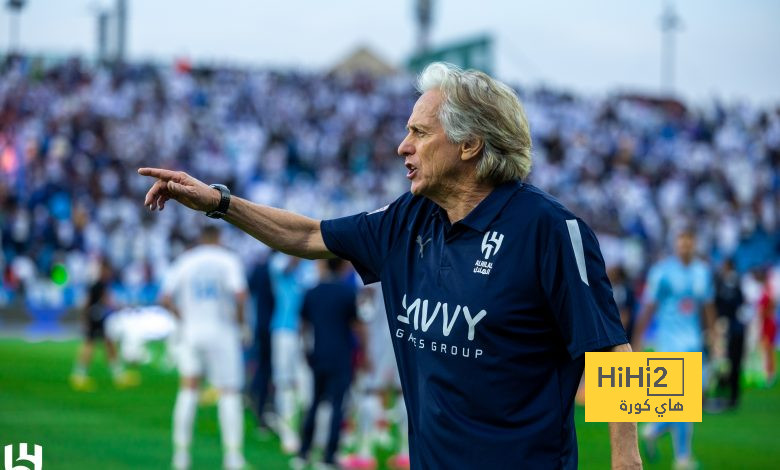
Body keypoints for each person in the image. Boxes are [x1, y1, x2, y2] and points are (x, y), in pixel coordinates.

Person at [139, 62, 641, 469]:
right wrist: (219, 202)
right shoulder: (407, 219)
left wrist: (627, 461)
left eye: (419, 133)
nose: (403, 146)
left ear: (470, 145)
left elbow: (614, 353)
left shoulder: (551, 229)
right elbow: (309, 232)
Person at [161, 226, 249, 470]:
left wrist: (183, 318)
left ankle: (180, 456)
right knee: (229, 392)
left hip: (192, 332)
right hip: (222, 332)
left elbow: (165, 298)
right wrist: (241, 325)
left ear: (201, 237)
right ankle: (233, 458)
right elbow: (241, 294)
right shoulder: (228, 259)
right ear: (219, 237)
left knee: (188, 390)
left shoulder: (186, 261)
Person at [632, 230, 717, 469]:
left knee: (695, 400)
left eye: (689, 243)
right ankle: (682, 457)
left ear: (694, 245)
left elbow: (708, 307)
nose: (685, 248)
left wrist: (715, 338)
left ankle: (655, 429)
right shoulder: (662, 272)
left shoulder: (702, 272)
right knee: (685, 401)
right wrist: (636, 342)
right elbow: (648, 308)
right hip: (669, 344)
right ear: (676, 245)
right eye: (681, 244)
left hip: (694, 344)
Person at [293, 258, 361, 469]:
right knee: (337, 405)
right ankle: (329, 455)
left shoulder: (312, 291)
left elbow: (303, 324)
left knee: (314, 403)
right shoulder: (348, 293)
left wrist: (305, 348)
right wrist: (364, 354)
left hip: (318, 353)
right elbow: (357, 326)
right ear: (341, 266)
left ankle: (304, 451)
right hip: (341, 354)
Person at [70, 257, 138, 391]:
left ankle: (118, 374)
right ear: (103, 270)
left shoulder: (99, 284)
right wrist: (120, 307)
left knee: (108, 344)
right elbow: (96, 302)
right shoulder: (98, 284)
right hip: (95, 318)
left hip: (98, 318)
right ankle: (79, 375)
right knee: (91, 345)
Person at [713, 258, 746, 408]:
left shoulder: (729, 284)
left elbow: (725, 304)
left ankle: (730, 396)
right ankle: (729, 395)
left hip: (731, 329)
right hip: (733, 329)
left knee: (730, 363)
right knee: (729, 363)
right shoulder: (734, 283)